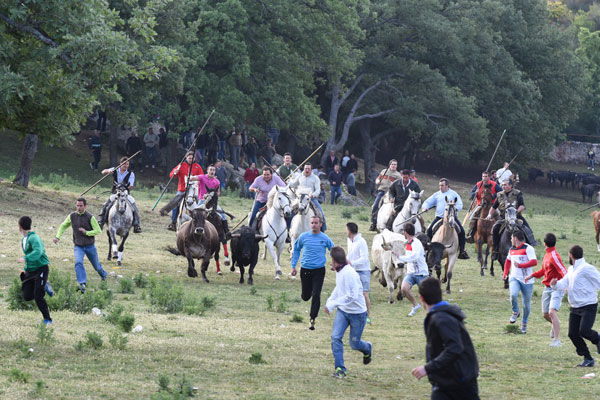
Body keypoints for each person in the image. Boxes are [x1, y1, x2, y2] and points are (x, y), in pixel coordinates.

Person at [412, 277, 479, 400]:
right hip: (447, 381)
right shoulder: (441, 315)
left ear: (421, 298)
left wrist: (428, 368)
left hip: (459, 382)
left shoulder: (442, 319)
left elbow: (455, 348)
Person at [324, 246, 372, 379]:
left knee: (354, 344)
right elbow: (339, 288)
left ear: (336, 261)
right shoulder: (340, 270)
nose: (330, 263)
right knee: (335, 337)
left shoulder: (349, 273)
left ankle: (367, 348)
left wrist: (334, 303)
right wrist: (330, 302)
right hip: (343, 312)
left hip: (358, 314)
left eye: (331, 260)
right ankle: (340, 369)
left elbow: (352, 296)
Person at [551, 245, 600, 367]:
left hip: (589, 305)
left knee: (584, 331)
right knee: (572, 334)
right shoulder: (571, 269)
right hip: (575, 307)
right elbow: (564, 283)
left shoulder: (587, 268)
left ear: (571, 255)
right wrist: (555, 284)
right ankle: (588, 358)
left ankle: (598, 339)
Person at [54, 198, 108, 293]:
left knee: (97, 267)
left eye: (81, 206)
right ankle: (82, 283)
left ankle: (103, 275)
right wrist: (58, 236)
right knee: (78, 262)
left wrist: (87, 232)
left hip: (90, 246)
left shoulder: (90, 217)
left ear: (85, 206)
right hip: (78, 246)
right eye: (77, 205)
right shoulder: (72, 216)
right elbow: (63, 226)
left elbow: (98, 230)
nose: (79, 208)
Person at [291, 215, 334, 330]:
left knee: (316, 294)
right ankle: (307, 293)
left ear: (320, 224)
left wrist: (334, 263)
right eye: (312, 223)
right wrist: (293, 266)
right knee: (306, 296)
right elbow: (296, 249)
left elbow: (333, 250)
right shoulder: (303, 237)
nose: (314, 225)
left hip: (319, 270)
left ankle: (312, 318)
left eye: (316, 223)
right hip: (305, 270)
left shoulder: (325, 238)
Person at [524, 233, 567, 346]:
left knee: (552, 312)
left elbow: (564, 271)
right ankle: (555, 324)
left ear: (544, 243)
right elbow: (543, 271)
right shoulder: (547, 255)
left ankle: (557, 340)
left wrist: (566, 285)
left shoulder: (554, 256)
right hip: (547, 288)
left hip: (556, 288)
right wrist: (531, 275)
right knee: (545, 314)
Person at [17, 216, 53, 325]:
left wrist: (25, 258)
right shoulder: (24, 239)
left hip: (41, 268)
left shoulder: (34, 238)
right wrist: (25, 269)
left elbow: (38, 251)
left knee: (38, 296)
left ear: (19, 227)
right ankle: (43, 285)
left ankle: (47, 319)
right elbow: (29, 254)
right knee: (27, 296)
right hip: (30, 270)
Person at [422, 178, 469, 259]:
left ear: (447, 186)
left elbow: (460, 204)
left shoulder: (453, 194)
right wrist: (425, 207)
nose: (441, 187)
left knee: (461, 231)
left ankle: (462, 251)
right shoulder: (437, 194)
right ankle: (427, 249)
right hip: (439, 217)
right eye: (440, 185)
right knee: (429, 230)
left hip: (452, 217)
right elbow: (427, 202)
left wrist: (455, 209)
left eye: (442, 185)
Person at [487, 179, 536, 258]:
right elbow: (493, 207)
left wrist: (516, 211)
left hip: (516, 216)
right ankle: (495, 250)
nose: (503, 186)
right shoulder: (499, 195)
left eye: (505, 185)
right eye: (502, 185)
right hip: (503, 217)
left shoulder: (517, 193)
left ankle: (530, 247)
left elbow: (522, 205)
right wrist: (489, 215)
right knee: (495, 228)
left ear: (510, 185)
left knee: (527, 229)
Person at [503, 231, 537, 334]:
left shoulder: (528, 248)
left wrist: (521, 265)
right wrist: (505, 273)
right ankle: (515, 311)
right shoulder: (511, 249)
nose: (510, 240)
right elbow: (508, 261)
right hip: (514, 277)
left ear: (516, 239)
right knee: (513, 295)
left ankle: (524, 323)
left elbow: (534, 262)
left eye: (511, 238)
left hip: (527, 280)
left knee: (526, 305)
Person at [392, 223, 429, 317]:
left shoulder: (416, 243)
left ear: (406, 233)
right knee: (404, 288)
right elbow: (409, 257)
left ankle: (432, 313)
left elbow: (414, 257)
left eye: (403, 232)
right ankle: (415, 305)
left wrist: (400, 257)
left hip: (421, 274)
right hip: (411, 273)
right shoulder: (408, 243)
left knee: (426, 297)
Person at [97, 157, 142, 233]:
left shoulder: (131, 174)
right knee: (106, 205)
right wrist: (108, 171)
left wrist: (124, 187)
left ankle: (136, 225)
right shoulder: (115, 169)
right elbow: (103, 172)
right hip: (115, 192)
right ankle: (101, 222)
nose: (126, 165)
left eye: (127, 164)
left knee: (134, 206)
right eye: (124, 164)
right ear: (121, 164)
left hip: (125, 193)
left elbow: (131, 186)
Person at [160, 152, 203, 231]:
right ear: (186, 157)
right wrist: (175, 172)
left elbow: (201, 178)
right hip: (182, 189)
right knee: (176, 204)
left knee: (200, 204)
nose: (191, 159)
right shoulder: (181, 165)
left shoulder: (198, 167)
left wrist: (197, 186)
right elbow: (171, 174)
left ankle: (200, 222)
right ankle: (173, 223)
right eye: (189, 158)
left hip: (193, 190)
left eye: (192, 158)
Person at [289, 163, 327, 231]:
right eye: (305, 168)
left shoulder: (315, 178)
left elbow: (318, 190)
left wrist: (313, 195)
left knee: (320, 214)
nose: (307, 170)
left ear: (311, 170)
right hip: (300, 199)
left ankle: (322, 230)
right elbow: (294, 184)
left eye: (308, 169)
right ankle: (289, 230)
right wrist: (289, 182)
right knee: (290, 212)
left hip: (311, 199)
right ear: (303, 169)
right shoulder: (300, 176)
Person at [466, 171, 502, 243]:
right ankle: (471, 233)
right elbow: (471, 194)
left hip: (492, 205)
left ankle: (500, 233)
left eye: (486, 176)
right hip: (480, 205)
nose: (484, 178)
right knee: (473, 216)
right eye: (483, 176)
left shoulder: (494, 184)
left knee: (499, 217)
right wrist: (474, 193)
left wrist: (494, 195)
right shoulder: (478, 184)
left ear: (489, 177)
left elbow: (501, 192)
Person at [346, 222, 371, 323]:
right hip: (353, 271)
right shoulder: (349, 240)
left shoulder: (361, 241)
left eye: (346, 229)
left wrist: (352, 263)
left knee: (364, 294)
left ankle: (368, 316)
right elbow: (349, 254)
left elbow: (364, 258)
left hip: (363, 271)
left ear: (349, 231)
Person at [370, 160, 401, 231]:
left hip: (391, 193)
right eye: (392, 164)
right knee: (375, 205)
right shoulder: (384, 171)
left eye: (395, 164)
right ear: (390, 165)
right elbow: (378, 178)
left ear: (397, 166)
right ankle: (373, 222)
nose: (393, 166)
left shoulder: (398, 175)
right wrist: (377, 181)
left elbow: (399, 186)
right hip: (382, 191)